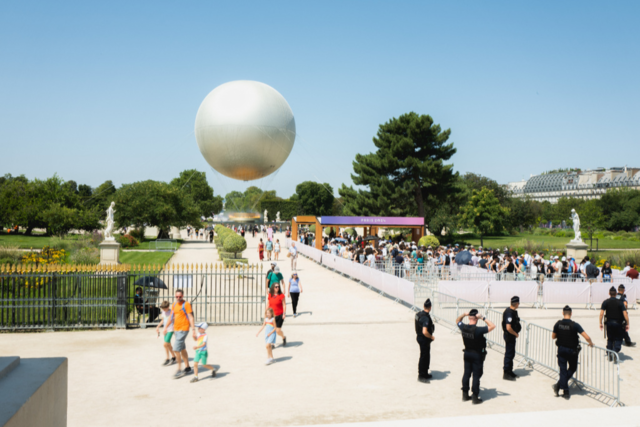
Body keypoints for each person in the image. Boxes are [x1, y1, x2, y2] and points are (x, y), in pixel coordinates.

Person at [552, 306, 594, 399]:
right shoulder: (575, 325)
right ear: (571, 314)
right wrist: (590, 343)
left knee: (563, 370)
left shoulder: (557, 324)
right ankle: (561, 387)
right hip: (572, 351)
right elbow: (586, 337)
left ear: (563, 313)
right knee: (572, 368)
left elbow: (553, 337)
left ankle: (562, 388)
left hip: (561, 349)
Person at [456, 309, 495, 404]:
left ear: (469, 317)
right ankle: (475, 397)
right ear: (476, 318)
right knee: (476, 376)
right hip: (477, 355)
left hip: (467, 353)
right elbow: (492, 326)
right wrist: (483, 317)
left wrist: (463, 315)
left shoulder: (463, 327)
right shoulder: (478, 330)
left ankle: (465, 395)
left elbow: (457, 321)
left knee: (466, 374)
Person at [165, 289, 195, 379]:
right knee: (182, 349)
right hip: (176, 330)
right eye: (177, 296)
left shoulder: (186, 304)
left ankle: (179, 369)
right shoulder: (174, 304)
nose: (178, 298)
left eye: (180, 296)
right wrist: (166, 327)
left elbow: (190, 316)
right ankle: (188, 367)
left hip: (184, 329)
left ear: (183, 296)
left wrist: (193, 329)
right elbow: (171, 316)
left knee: (176, 349)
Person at [599, 286, 630, 362]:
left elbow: (601, 313)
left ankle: (609, 353)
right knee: (619, 339)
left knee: (610, 339)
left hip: (609, 323)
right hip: (618, 323)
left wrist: (600, 323)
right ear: (616, 294)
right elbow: (625, 314)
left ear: (609, 293)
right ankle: (615, 351)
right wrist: (627, 323)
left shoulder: (605, 302)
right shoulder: (620, 303)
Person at [415, 299, 435, 383]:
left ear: (423, 306)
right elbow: (424, 331)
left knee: (426, 356)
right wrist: (431, 337)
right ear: (430, 307)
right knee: (423, 357)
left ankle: (425, 373)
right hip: (424, 339)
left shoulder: (418, 314)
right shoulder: (425, 318)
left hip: (420, 337)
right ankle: (421, 375)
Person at [502, 296, 521, 381]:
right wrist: (515, 334)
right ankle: (506, 372)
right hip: (510, 335)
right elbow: (508, 327)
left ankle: (510, 371)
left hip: (511, 335)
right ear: (517, 304)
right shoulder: (509, 313)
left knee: (511, 353)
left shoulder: (512, 311)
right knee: (509, 354)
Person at [155, 300, 176, 366]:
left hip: (170, 329)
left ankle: (168, 358)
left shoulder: (171, 312)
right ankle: (172, 357)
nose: (163, 309)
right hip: (165, 330)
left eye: (164, 308)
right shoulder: (163, 312)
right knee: (168, 344)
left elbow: (175, 321)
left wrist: (175, 330)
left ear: (168, 307)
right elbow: (163, 320)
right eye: (163, 308)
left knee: (165, 344)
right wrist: (158, 326)